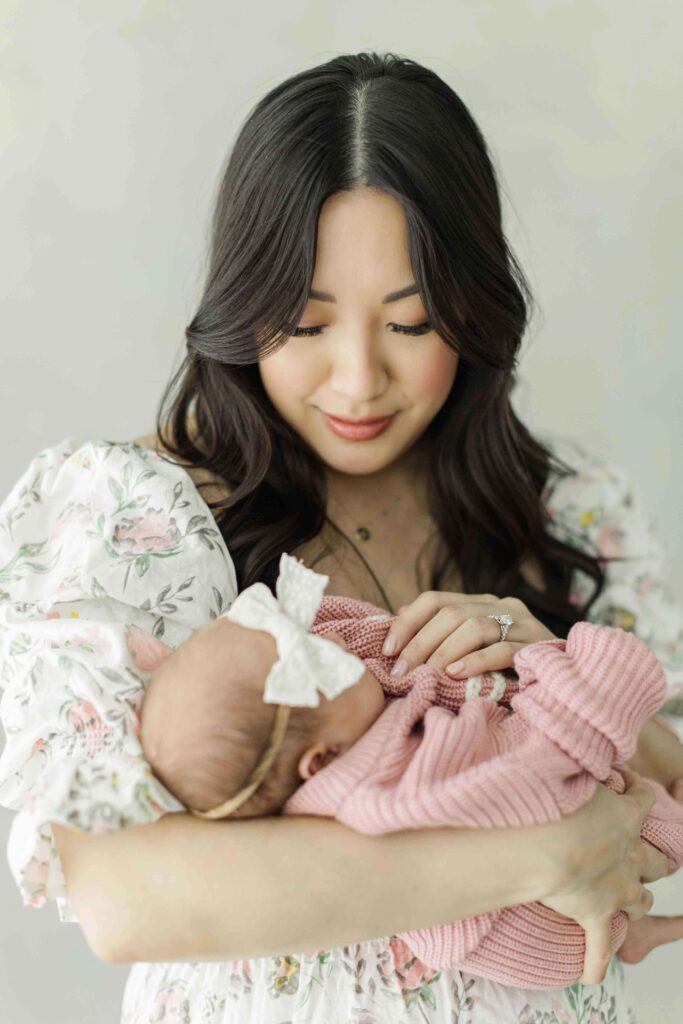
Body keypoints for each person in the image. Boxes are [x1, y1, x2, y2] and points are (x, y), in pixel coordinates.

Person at [1, 49, 682, 1024]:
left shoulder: (568, 510)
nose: (358, 381)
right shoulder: (139, 513)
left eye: (410, 325)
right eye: (304, 323)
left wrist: (550, 662)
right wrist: (535, 856)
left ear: (472, 312)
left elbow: (655, 818)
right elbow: (125, 898)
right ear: (242, 307)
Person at [137, 549, 683, 989]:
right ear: (321, 759)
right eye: (324, 658)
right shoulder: (396, 784)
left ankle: (631, 930)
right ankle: (629, 926)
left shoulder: (331, 727)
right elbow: (536, 765)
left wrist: (520, 636)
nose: (335, 638)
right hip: (552, 927)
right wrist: (561, 668)